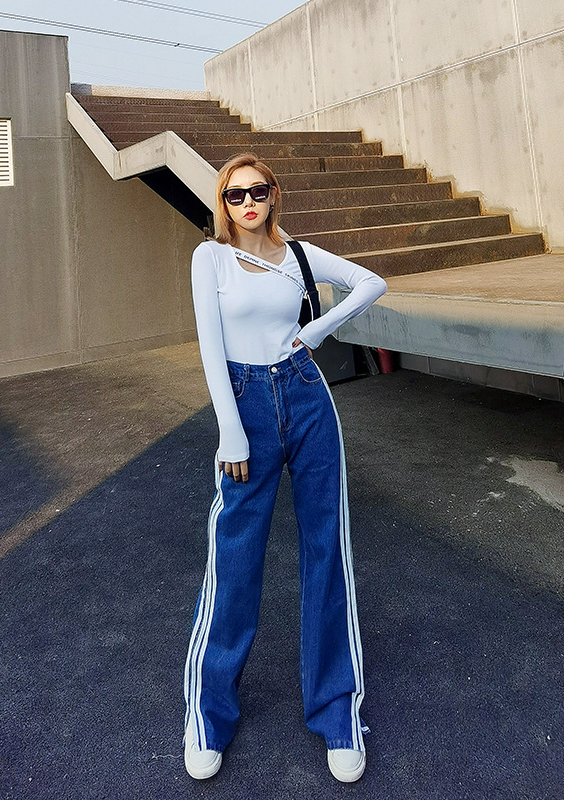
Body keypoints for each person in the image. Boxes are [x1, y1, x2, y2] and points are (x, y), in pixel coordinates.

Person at [183, 153, 387, 783]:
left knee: (327, 550)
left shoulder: (298, 255)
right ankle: (207, 715)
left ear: (274, 195)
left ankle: (337, 714)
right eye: (235, 193)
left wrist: (318, 331)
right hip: (244, 404)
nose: (248, 202)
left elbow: (371, 283)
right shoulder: (210, 258)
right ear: (223, 201)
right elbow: (210, 346)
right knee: (234, 556)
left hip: (305, 396)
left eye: (258, 191)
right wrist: (230, 431)